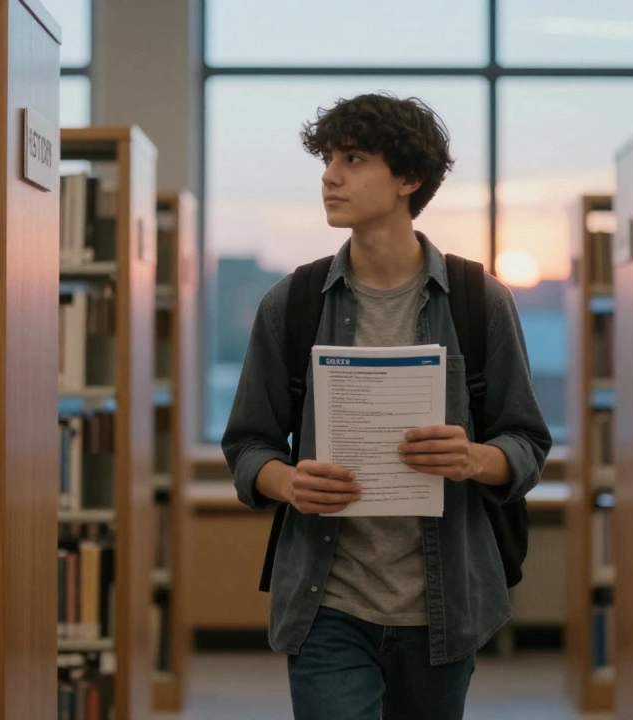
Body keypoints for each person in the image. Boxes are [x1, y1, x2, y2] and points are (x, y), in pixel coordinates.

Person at [220, 92, 552, 720]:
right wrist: (288, 480)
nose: (330, 176)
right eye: (326, 160)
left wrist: (475, 458)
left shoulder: (480, 302)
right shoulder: (290, 304)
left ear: (408, 179)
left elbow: (527, 444)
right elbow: (246, 446)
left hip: (446, 603)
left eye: (353, 159)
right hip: (327, 605)